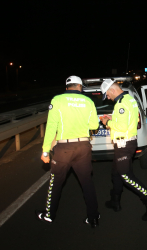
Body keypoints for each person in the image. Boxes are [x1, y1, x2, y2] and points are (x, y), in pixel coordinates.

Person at [36, 75, 100, 228]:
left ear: (67, 87)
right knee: (87, 183)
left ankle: (49, 215)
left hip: (64, 148)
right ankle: (93, 218)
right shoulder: (88, 101)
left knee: (56, 182)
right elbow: (93, 125)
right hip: (83, 147)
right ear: (80, 86)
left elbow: (51, 126)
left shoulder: (57, 100)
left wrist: (45, 151)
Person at [100, 79, 147, 221]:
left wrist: (107, 122)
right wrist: (113, 117)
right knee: (116, 174)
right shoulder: (129, 99)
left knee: (126, 176)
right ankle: (115, 201)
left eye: (107, 95)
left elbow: (121, 127)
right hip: (127, 143)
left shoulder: (121, 104)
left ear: (112, 90)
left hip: (124, 145)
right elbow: (128, 119)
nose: (108, 98)